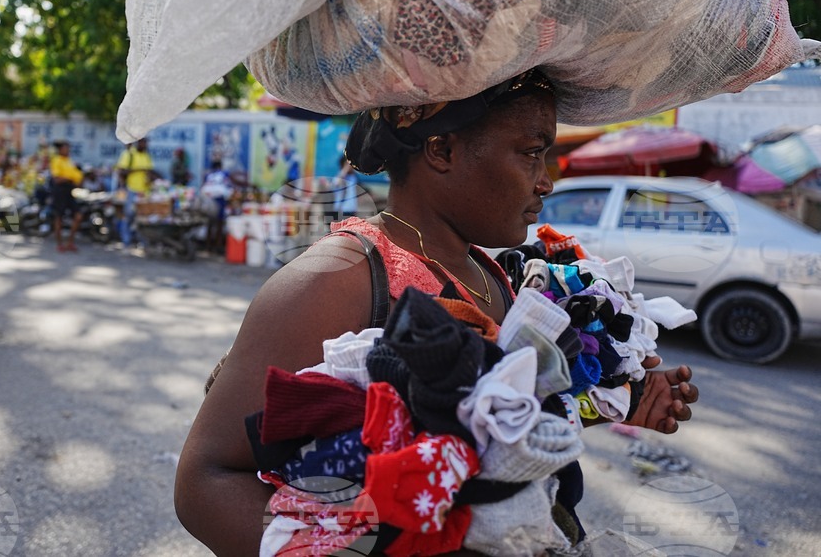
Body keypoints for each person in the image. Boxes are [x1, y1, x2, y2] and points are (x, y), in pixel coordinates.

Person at [174, 71, 699, 556]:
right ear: (442, 149)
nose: (546, 182)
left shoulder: (487, 273)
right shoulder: (338, 280)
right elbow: (206, 481)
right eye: (531, 153)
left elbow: (492, 422)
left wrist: (615, 403)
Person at [115, 138, 155, 246]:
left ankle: (141, 241)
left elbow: (149, 171)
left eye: (146, 143)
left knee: (142, 218)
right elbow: (121, 171)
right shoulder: (129, 154)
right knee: (128, 215)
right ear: (137, 143)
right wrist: (138, 170)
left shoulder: (146, 156)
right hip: (130, 190)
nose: (144, 145)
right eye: (142, 142)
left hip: (143, 192)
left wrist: (150, 179)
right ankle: (126, 241)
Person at [50, 140, 84, 252]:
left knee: (78, 216)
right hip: (60, 191)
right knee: (58, 217)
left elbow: (76, 176)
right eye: (66, 148)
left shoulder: (69, 161)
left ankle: (70, 242)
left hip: (70, 191)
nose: (68, 150)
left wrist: (76, 179)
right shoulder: (56, 161)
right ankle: (59, 244)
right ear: (60, 150)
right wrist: (69, 178)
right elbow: (57, 179)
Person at [200, 159, 233, 254]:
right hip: (220, 201)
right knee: (219, 224)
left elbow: (203, 188)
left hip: (209, 201)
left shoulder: (208, 175)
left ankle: (208, 247)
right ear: (220, 166)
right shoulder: (224, 174)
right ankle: (217, 247)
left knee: (210, 224)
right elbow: (228, 188)